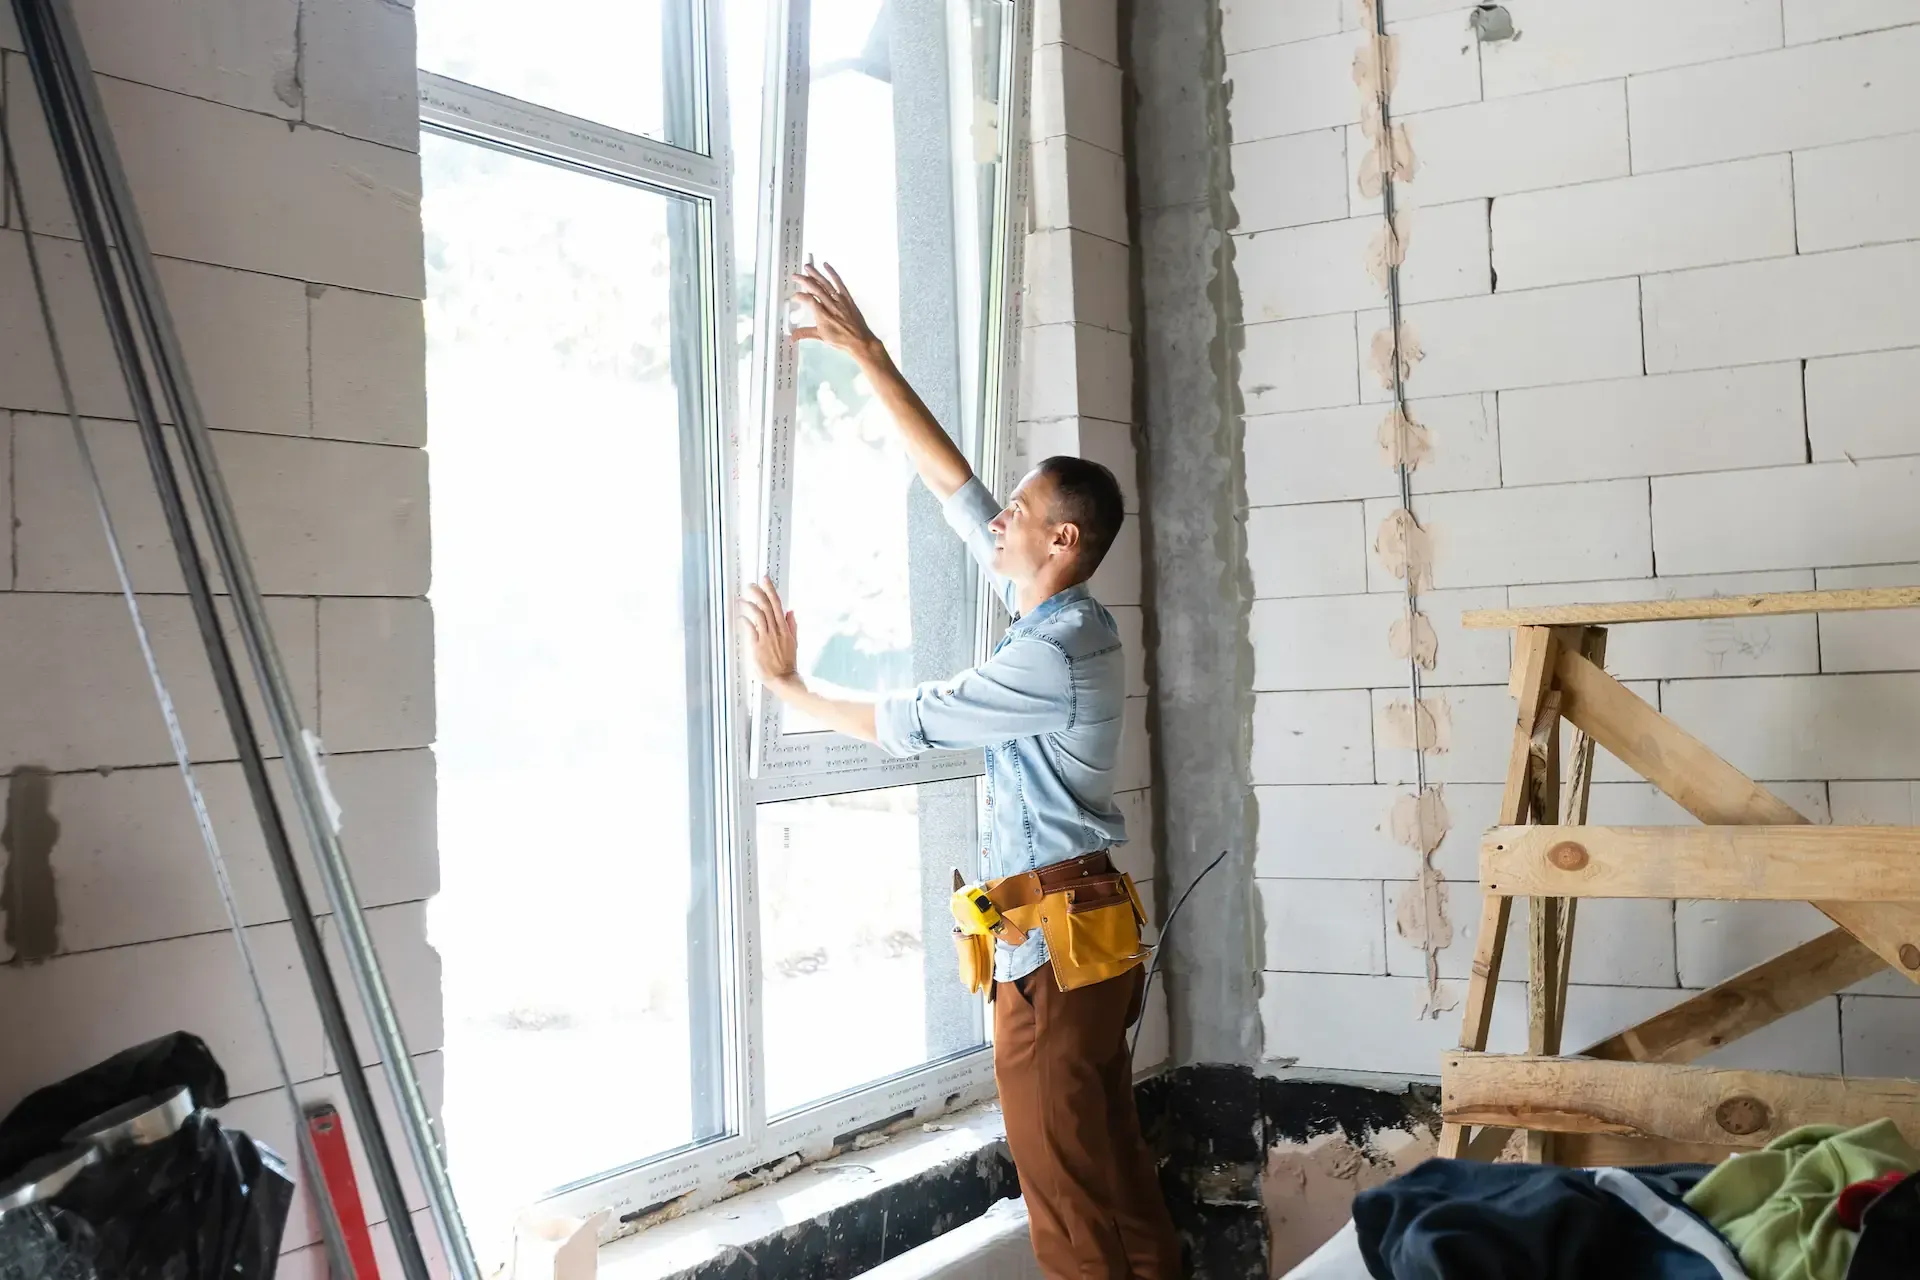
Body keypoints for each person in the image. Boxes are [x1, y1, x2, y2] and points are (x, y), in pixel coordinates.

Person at [737, 263, 1182, 1280]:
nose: (1000, 521)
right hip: (1079, 934)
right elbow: (955, 489)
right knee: (1114, 1176)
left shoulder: (1050, 653)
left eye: (1020, 513)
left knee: (1065, 1196)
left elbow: (919, 719)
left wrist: (791, 689)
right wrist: (869, 356)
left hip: (1055, 955)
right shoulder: (1069, 620)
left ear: (1061, 540)